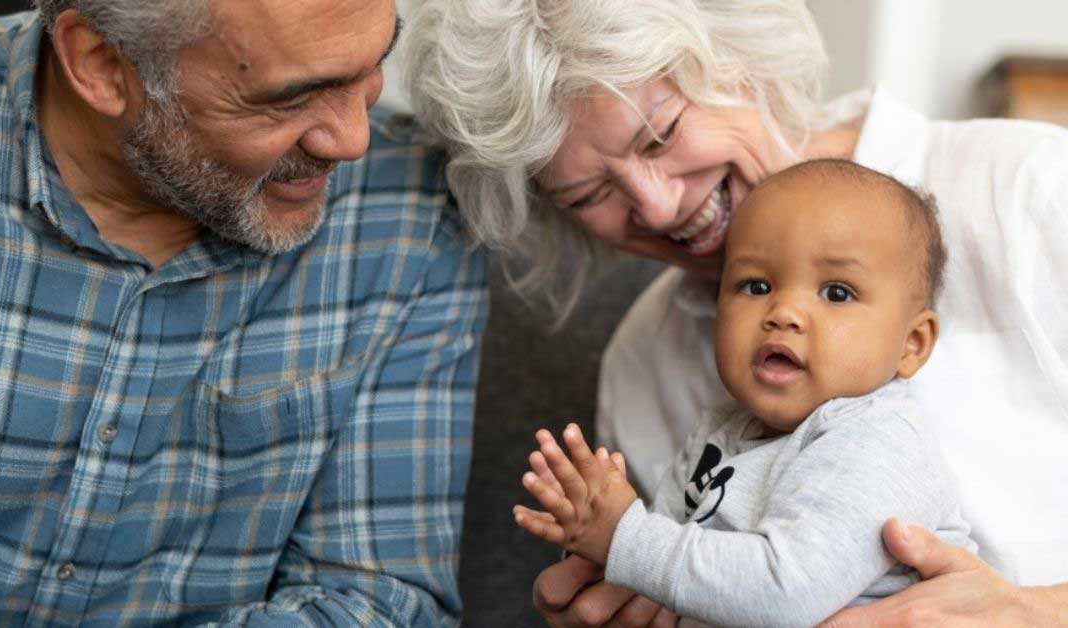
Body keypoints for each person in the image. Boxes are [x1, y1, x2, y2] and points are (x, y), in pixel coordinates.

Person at [403, 0, 1068, 625]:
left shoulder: (1029, 192)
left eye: (660, 136)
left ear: (738, 63)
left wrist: (1036, 611)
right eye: (590, 193)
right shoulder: (642, 364)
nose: (657, 208)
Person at [0, 0, 487, 625]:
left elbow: (375, 604)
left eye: (372, 66)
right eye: (289, 98)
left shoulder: (407, 213)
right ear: (101, 63)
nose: (353, 139)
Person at [514, 159, 975, 627]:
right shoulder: (719, 431)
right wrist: (595, 534)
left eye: (837, 293)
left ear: (911, 345)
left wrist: (624, 538)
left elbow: (784, 593)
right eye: (755, 285)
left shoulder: (881, 440)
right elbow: (670, 574)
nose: (783, 311)